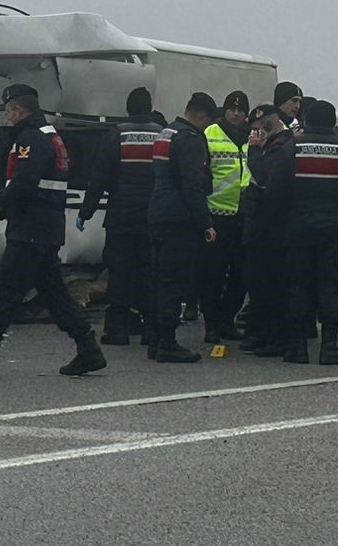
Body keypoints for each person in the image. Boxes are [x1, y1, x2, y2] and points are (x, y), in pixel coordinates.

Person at [0, 85, 106, 381]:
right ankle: (88, 348)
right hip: (45, 226)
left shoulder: (31, 139)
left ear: (18, 110)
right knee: (55, 294)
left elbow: (24, 182)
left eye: (9, 112)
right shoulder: (50, 136)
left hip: (31, 228)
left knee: (5, 291)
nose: (8, 118)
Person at [274, 99, 338, 365]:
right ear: (331, 124)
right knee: (331, 287)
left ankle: (297, 348)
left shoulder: (291, 148)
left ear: (306, 121)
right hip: (333, 231)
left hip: (297, 230)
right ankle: (329, 347)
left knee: (298, 286)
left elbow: (276, 191)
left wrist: (280, 226)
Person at [79, 87, 158, 346]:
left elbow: (99, 175)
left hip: (121, 214)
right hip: (152, 215)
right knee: (149, 272)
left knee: (120, 272)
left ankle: (118, 329)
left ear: (128, 108)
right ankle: (151, 329)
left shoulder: (117, 134)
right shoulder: (162, 135)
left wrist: (86, 211)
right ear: (149, 107)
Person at [146, 93, 217, 362]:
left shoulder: (166, 133)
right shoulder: (189, 138)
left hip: (159, 211)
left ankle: (155, 338)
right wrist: (205, 223)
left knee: (158, 277)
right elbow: (192, 184)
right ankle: (167, 341)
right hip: (179, 217)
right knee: (173, 280)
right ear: (200, 116)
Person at [198, 90, 252, 343]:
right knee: (212, 274)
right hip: (216, 214)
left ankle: (227, 319)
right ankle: (211, 324)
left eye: (241, 110)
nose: (236, 114)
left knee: (242, 274)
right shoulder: (209, 134)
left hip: (243, 215)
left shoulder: (253, 137)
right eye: (232, 108)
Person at [241, 108, 294, 356]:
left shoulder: (282, 146)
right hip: (261, 226)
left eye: (257, 129)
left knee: (273, 285)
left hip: (274, 227)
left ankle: (278, 338)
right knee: (258, 283)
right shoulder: (275, 144)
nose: (254, 134)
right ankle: (261, 333)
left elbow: (263, 177)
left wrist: (253, 150)